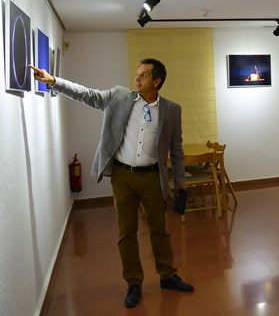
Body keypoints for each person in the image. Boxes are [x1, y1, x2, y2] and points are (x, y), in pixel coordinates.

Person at [30, 59, 194, 309]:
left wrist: (180, 181)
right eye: (137, 74)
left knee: (159, 230)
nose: (137, 78)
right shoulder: (119, 97)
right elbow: (88, 95)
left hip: (152, 177)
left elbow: (176, 148)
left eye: (144, 75)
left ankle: (167, 275)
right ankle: (134, 282)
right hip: (123, 177)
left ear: (157, 82)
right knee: (126, 232)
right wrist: (54, 81)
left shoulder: (172, 110)